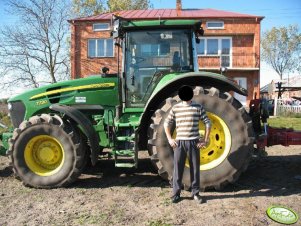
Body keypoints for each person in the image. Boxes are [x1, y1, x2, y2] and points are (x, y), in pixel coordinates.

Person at [164, 85, 211, 204]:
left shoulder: (198, 107)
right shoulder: (176, 108)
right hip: (179, 143)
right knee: (177, 169)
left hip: (194, 142)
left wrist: (205, 140)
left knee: (195, 169)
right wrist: (170, 139)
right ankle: (176, 194)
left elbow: (208, 123)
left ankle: (195, 193)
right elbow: (166, 123)